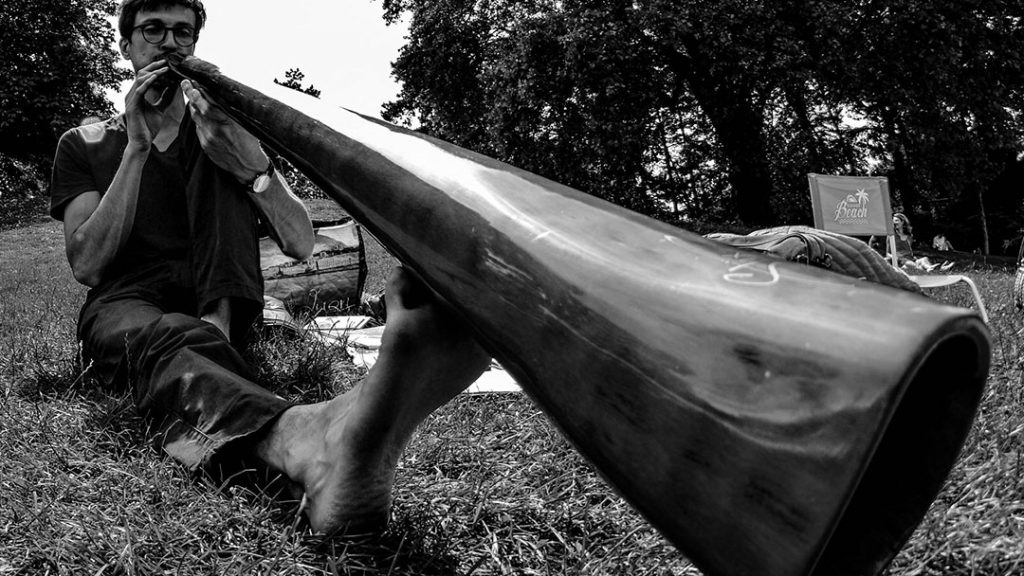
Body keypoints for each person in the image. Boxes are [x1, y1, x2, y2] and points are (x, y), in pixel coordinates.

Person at [50, 0, 490, 534]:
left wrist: (253, 166)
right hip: (127, 301)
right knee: (167, 336)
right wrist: (138, 148)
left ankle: (231, 351)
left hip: (223, 300)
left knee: (222, 154)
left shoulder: (221, 127)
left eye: (183, 33)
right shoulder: (85, 142)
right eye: (152, 30)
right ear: (126, 46)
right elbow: (88, 265)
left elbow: (302, 243)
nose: (169, 43)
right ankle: (303, 434)